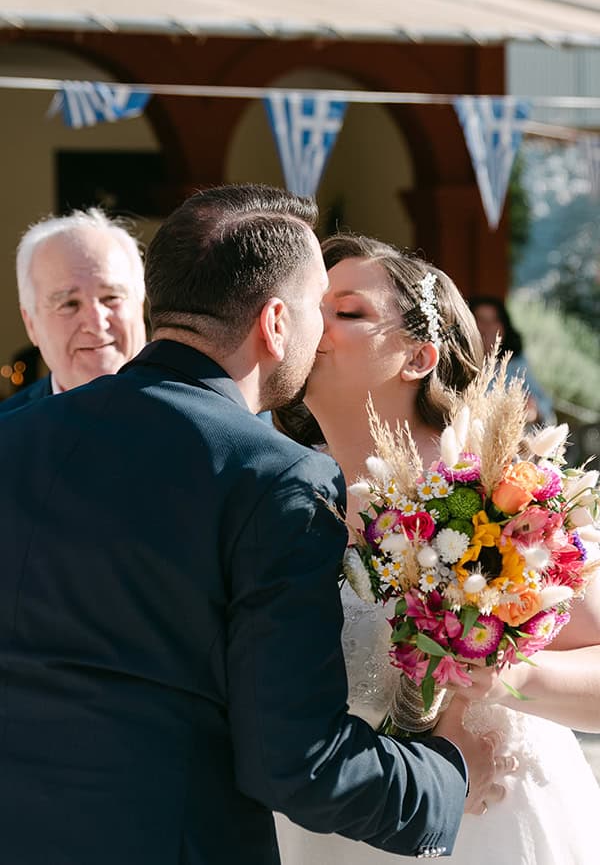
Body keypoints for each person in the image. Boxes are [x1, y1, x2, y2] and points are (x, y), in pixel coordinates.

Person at [0, 186, 505, 865]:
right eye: (316, 307)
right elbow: (297, 761)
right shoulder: (275, 477)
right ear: (275, 323)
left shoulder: (14, 439)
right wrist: (446, 775)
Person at [274, 233, 600, 865]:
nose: (314, 326)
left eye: (347, 311)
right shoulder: (282, 495)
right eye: (312, 307)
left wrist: (511, 676)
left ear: (418, 356)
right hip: (335, 828)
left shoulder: (498, 493)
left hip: (487, 824)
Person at [0, 207, 147, 412]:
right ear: (30, 323)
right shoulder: (9, 428)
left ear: (141, 303)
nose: (96, 324)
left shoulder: (191, 413)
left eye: (111, 298)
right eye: (70, 304)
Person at [469, 295, 554, 426]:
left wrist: (534, 412)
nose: (488, 326)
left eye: (494, 320)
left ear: (504, 326)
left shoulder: (516, 364)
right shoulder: (460, 363)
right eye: (481, 319)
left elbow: (546, 407)